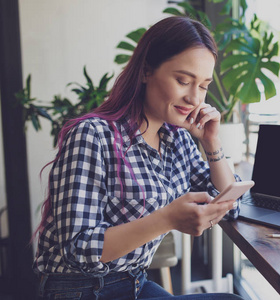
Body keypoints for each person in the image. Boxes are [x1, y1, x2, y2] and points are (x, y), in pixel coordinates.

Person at [33, 16, 244, 300]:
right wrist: (167, 218)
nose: (195, 98)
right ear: (146, 71)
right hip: (80, 289)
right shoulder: (92, 135)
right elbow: (78, 250)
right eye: (183, 80)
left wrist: (212, 141)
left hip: (134, 282)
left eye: (203, 86)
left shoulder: (177, 139)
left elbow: (229, 204)